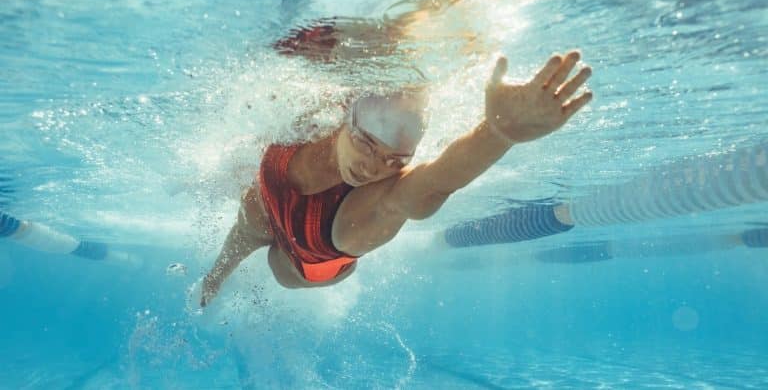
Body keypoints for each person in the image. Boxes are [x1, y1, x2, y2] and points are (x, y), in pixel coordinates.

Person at [200, 50, 593, 306]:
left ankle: (244, 273)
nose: (373, 168)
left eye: (394, 159)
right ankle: (213, 279)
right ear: (345, 118)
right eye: (367, 145)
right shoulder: (316, 114)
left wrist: (499, 133)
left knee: (277, 264)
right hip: (274, 203)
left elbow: (437, 180)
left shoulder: (369, 211)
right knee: (251, 213)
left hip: (310, 262)